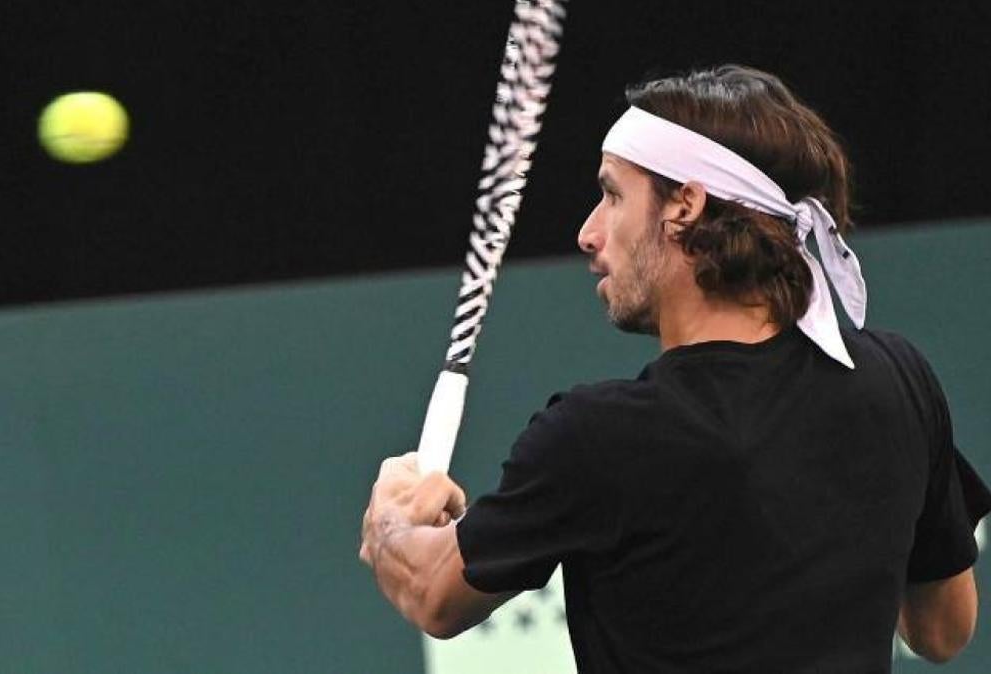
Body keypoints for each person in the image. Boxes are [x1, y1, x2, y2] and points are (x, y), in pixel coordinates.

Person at [359, 65, 991, 672]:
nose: (588, 231)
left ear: (684, 205)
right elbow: (942, 630)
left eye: (611, 194)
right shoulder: (899, 379)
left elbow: (433, 592)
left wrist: (391, 519)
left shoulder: (598, 436)